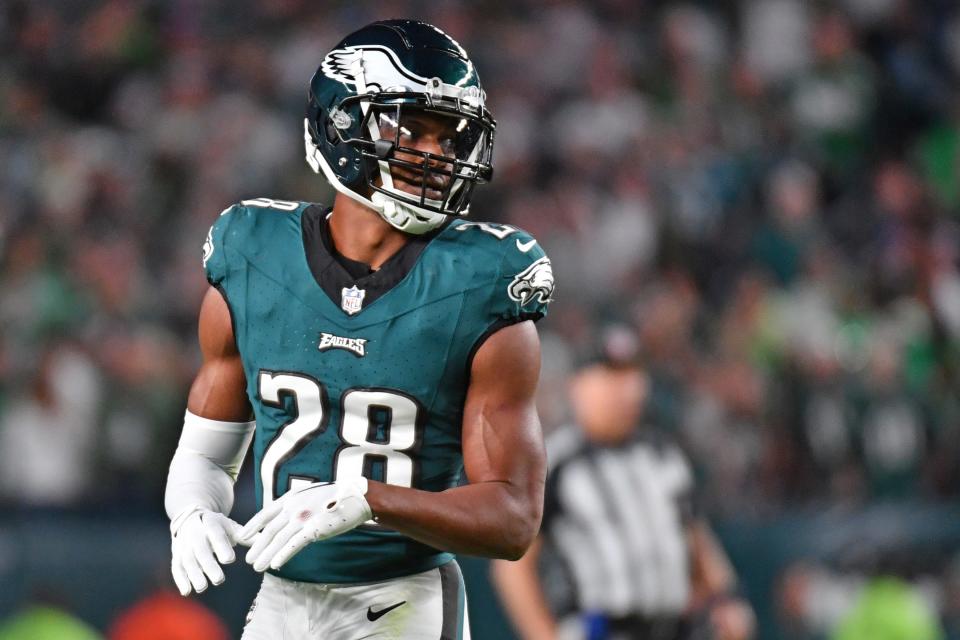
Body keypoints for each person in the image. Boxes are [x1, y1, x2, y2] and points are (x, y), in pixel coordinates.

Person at [162, 19, 554, 640]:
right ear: (341, 126)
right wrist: (191, 512)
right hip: (281, 599)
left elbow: (513, 518)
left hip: (403, 597)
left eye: (450, 138)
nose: (438, 154)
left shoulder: (481, 282)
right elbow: (207, 453)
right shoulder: (253, 256)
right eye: (413, 131)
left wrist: (367, 499)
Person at [491, 330, 754, 640]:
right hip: (600, 630)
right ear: (580, 385)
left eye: (632, 375)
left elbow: (697, 541)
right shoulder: (555, 463)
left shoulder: (665, 456)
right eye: (611, 376)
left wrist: (727, 599)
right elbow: (512, 568)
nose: (625, 389)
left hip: (676, 629)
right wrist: (543, 635)